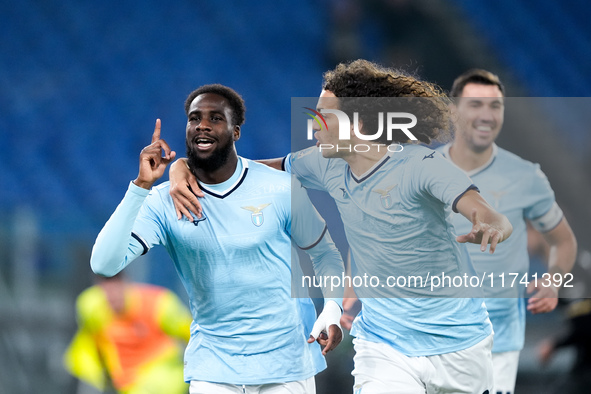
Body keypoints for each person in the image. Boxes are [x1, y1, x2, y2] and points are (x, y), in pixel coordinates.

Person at [168, 60, 514, 393]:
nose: (314, 124)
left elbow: (483, 210)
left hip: (459, 344)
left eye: (324, 116)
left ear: (359, 123)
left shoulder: (422, 166)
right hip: (384, 345)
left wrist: (490, 224)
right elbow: (241, 172)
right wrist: (183, 167)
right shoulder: (324, 163)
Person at [90, 84, 346, 394]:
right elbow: (104, 264)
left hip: (286, 361)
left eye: (215, 118)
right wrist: (141, 185)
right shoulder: (163, 201)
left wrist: (332, 306)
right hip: (213, 366)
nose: (203, 125)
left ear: (236, 132)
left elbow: (325, 253)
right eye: (194, 118)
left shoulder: (280, 188)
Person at [439, 69, 577, 394]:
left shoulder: (526, 176)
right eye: (475, 104)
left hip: (499, 339)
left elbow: (563, 241)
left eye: (495, 106)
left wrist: (553, 280)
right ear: (453, 111)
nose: (487, 115)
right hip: (436, 332)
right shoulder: (422, 172)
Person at [63, 272, 191, 394]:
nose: (112, 295)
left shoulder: (158, 304)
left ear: (127, 284)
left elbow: (191, 334)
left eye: (116, 287)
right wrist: (95, 374)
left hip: (161, 377)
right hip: (121, 381)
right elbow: (89, 341)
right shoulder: (91, 307)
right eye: (107, 290)